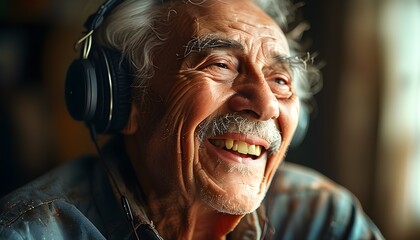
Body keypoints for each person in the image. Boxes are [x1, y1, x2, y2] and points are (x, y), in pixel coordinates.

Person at [0, 0, 384, 239]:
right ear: (125, 97)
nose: (266, 105)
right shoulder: (29, 232)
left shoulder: (322, 219)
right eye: (220, 64)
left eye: (280, 80)